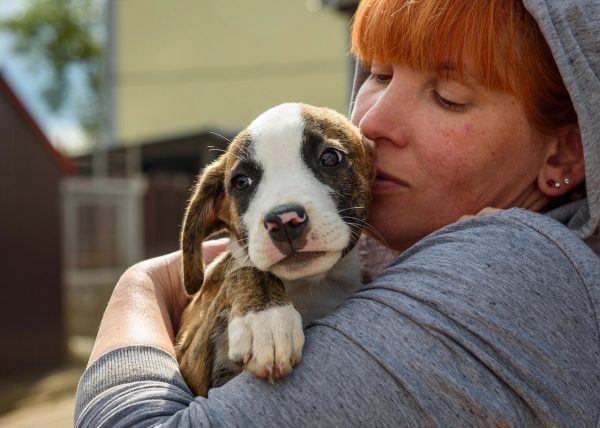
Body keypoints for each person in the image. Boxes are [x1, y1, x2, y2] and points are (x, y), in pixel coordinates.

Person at [75, 0, 600, 426]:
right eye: (377, 73)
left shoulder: (507, 274)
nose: (372, 123)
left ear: (565, 155)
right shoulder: (383, 260)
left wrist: (141, 287)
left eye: (448, 95)